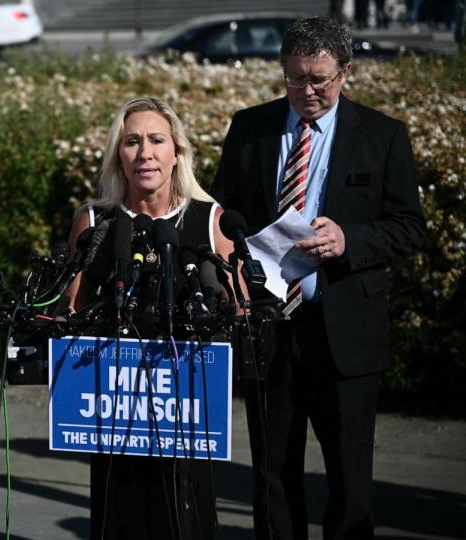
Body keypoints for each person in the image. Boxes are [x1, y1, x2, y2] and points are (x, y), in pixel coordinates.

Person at [212, 17, 425, 540]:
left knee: (349, 482)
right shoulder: (250, 128)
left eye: (319, 80)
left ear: (346, 73)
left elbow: (409, 228)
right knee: (272, 476)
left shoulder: (382, 135)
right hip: (269, 328)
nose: (305, 91)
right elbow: (223, 212)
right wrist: (240, 251)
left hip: (345, 330)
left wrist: (350, 240)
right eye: (294, 78)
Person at [63, 97, 235, 540]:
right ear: (117, 155)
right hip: (114, 406)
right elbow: (72, 310)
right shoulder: (93, 220)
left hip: (188, 405)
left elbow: (239, 309)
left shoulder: (208, 218)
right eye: (132, 142)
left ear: (176, 152)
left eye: (157, 140)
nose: (145, 153)